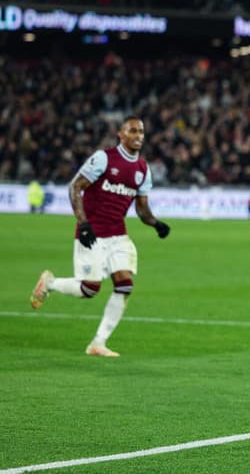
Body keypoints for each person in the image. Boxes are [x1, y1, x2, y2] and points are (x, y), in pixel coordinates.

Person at [30, 117, 171, 357]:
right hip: (92, 233)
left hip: (118, 235)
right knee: (89, 289)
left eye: (142, 132)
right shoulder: (104, 159)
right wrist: (83, 223)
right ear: (121, 134)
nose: (139, 135)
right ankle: (50, 284)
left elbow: (141, 208)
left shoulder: (143, 170)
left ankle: (98, 343)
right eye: (133, 130)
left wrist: (155, 223)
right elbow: (75, 187)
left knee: (125, 285)